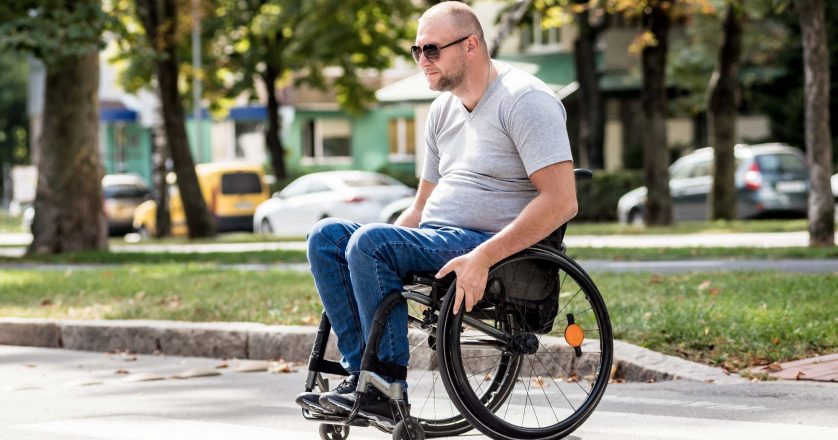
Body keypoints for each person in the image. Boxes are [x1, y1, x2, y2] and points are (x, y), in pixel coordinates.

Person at [295, 0, 577, 423]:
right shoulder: (442, 110)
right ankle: (363, 379)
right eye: (417, 51)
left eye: (432, 50)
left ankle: (387, 385)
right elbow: (420, 208)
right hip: (438, 238)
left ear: (471, 46)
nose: (422, 61)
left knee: (370, 243)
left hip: (490, 244)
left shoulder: (525, 101)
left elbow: (561, 201)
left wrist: (483, 257)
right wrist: (362, 248)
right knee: (327, 236)